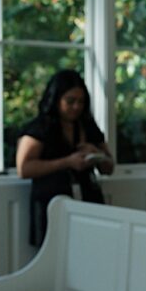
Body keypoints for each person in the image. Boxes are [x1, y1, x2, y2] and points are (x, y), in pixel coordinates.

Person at [16, 69, 114, 247]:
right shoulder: (40, 127)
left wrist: (96, 154)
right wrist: (67, 162)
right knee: (54, 255)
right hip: (51, 203)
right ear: (56, 99)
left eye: (81, 102)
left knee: (94, 250)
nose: (76, 107)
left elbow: (109, 167)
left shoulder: (88, 126)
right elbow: (24, 169)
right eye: (70, 101)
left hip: (88, 201)